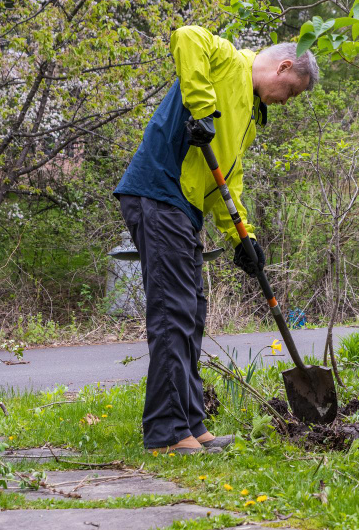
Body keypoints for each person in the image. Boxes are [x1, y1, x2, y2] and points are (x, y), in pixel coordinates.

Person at [114, 25, 318, 454]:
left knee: (192, 313)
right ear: (283, 67)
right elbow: (186, 35)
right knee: (173, 312)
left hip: (184, 207)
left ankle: (191, 424)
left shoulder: (248, 118)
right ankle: (167, 433)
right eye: (292, 93)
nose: (286, 103)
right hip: (158, 191)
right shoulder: (227, 60)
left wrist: (243, 236)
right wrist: (201, 109)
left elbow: (229, 182)